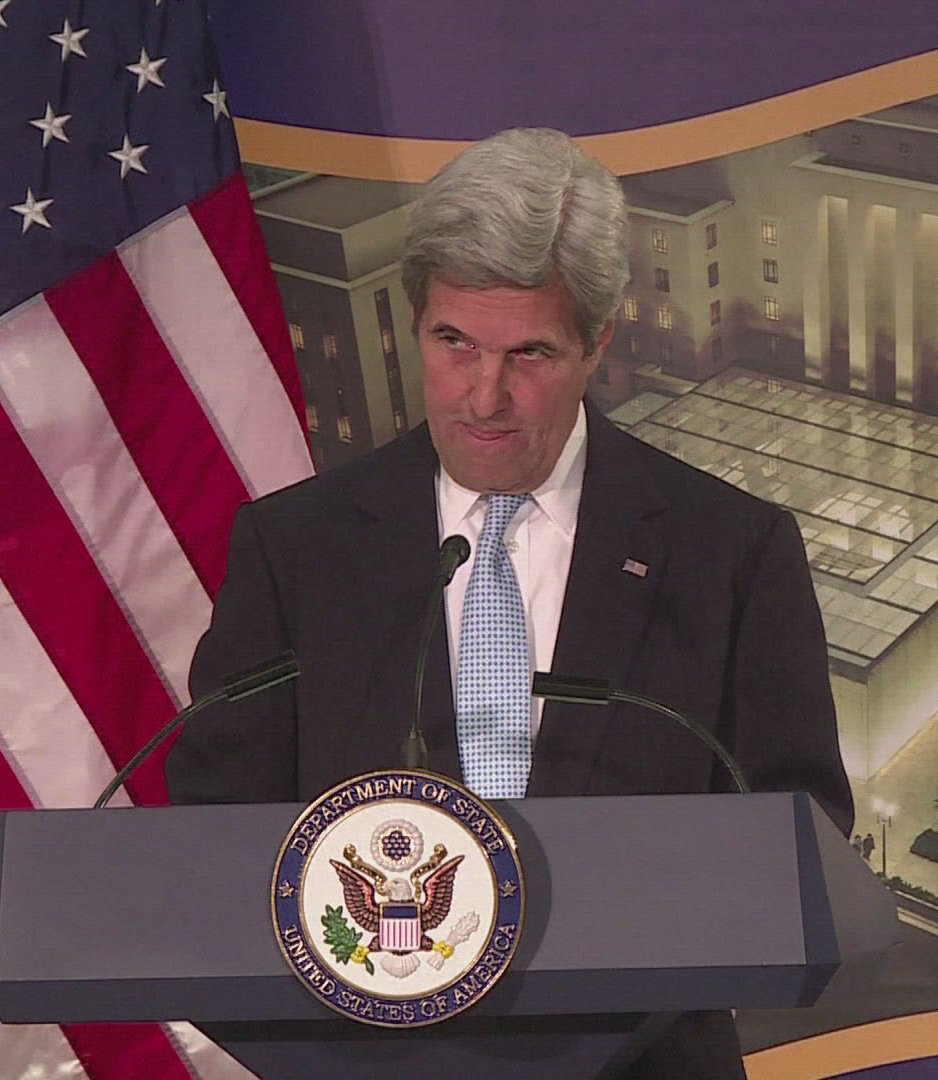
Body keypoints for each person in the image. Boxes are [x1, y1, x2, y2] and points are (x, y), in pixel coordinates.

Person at [168, 127, 853, 1079]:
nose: (484, 397)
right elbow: (215, 839)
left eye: (530, 353)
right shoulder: (296, 548)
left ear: (597, 342)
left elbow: (798, 831)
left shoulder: (729, 550)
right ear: (416, 321)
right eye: (454, 342)